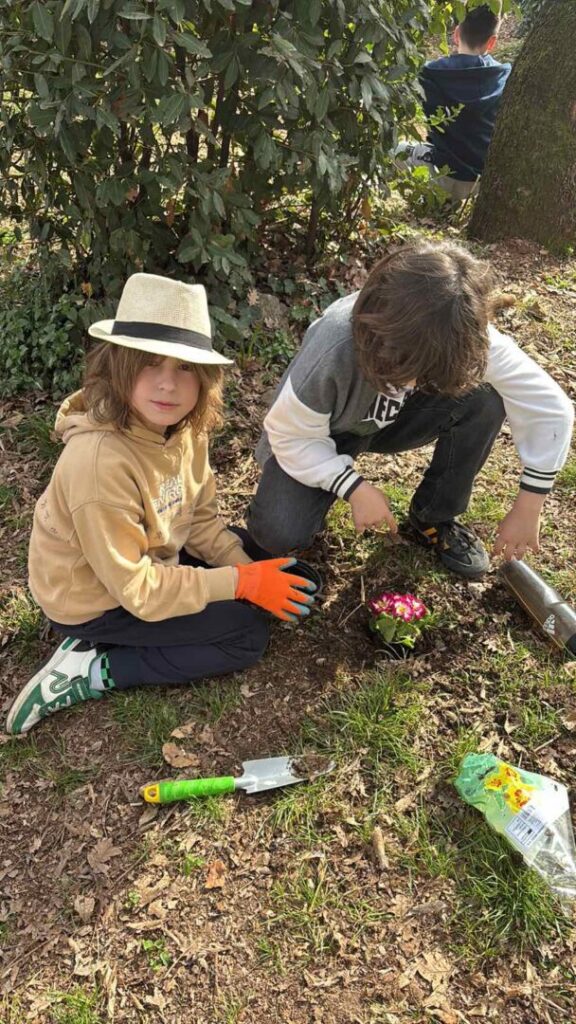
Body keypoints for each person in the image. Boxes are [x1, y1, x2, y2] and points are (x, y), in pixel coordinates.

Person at [7, 274, 316, 735]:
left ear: (205, 378)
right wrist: (241, 585)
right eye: (149, 364)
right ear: (117, 366)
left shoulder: (185, 428)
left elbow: (201, 521)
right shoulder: (98, 463)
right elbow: (139, 591)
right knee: (246, 637)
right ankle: (92, 669)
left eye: (185, 367)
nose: (168, 384)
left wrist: (248, 571)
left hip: (154, 555)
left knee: (265, 557)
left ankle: (237, 587)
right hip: (98, 598)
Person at [246, 240, 574, 578]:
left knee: (486, 396)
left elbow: (551, 406)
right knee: (277, 533)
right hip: (324, 432)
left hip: (391, 419)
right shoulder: (336, 346)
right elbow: (291, 435)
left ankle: (433, 515)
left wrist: (529, 507)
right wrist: (354, 488)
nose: (415, 380)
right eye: (411, 368)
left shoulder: (455, 332)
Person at [395, 3, 511, 199]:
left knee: (394, 150)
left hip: (441, 172)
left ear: (456, 34)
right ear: (492, 42)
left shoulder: (430, 72)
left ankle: (438, 200)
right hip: (482, 180)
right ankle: (450, 203)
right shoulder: (505, 76)